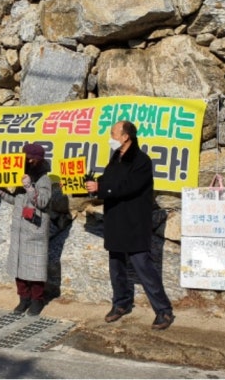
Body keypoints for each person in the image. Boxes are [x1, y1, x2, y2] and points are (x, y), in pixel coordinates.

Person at [85, 120, 175, 330]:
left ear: (126, 137)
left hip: (134, 223)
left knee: (143, 266)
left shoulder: (141, 161)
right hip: (115, 220)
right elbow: (107, 181)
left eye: (113, 133)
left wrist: (101, 187)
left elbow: (127, 187)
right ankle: (121, 303)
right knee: (116, 266)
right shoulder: (116, 158)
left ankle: (164, 310)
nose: (111, 137)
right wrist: (91, 184)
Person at [0, 143, 52, 316]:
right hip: (19, 229)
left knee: (35, 268)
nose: (27, 161)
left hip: (35, 229)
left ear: (37, 160)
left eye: (30, 159)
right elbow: (16, 200)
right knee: (19, 267)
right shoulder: (21, 175)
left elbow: (42, 202)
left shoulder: (44, 179)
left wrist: (29, 186)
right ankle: (23, 298)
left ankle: (36, 300)